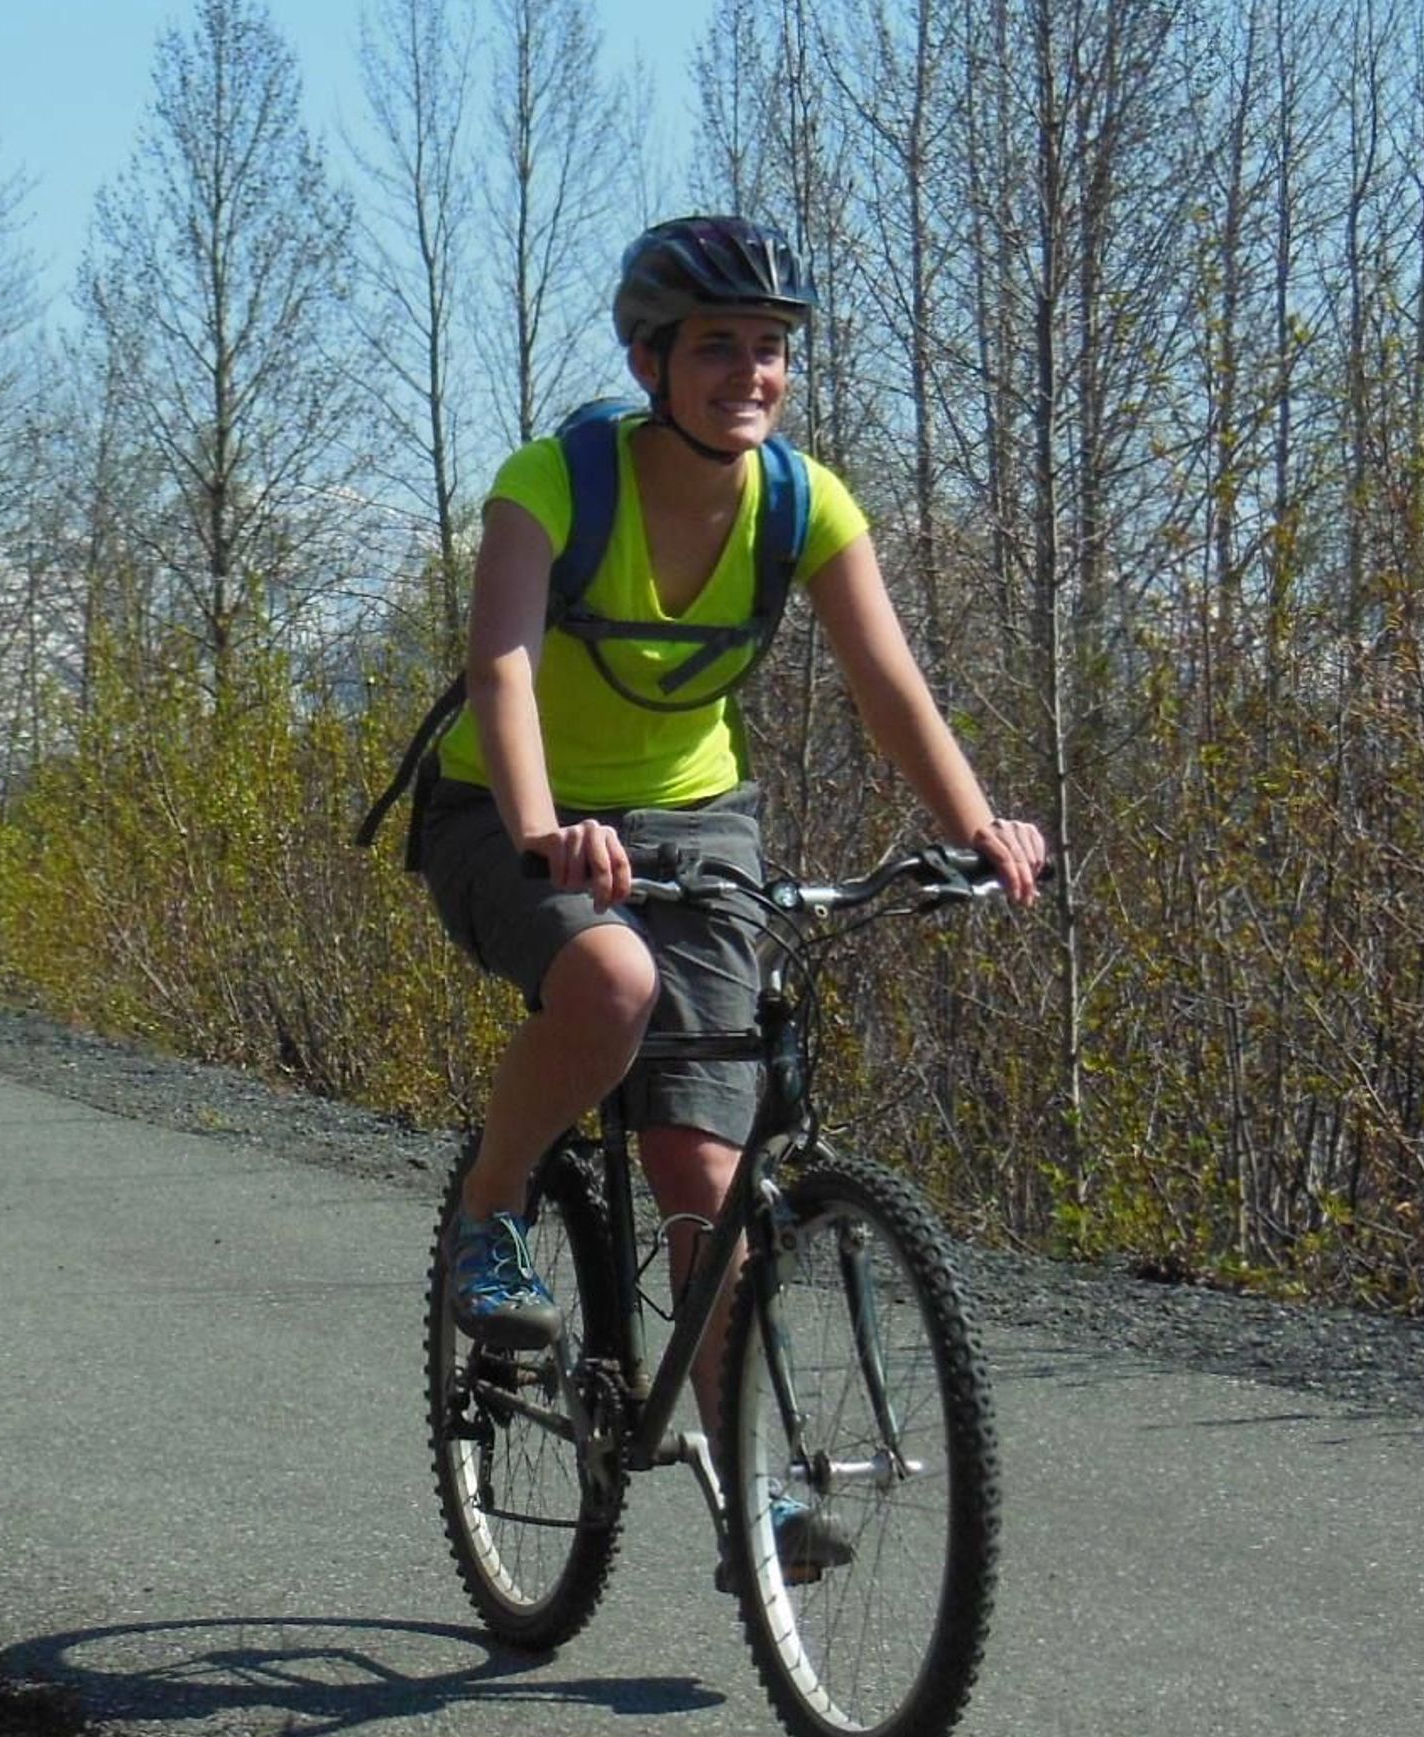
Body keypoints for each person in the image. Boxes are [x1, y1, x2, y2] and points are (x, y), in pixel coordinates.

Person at [415, 215, 1045, 1375]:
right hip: (509, 813)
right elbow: (501, 667)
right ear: (648, 358)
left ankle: (752, 1513)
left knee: (707, 1182)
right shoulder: (551, 483)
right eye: (716, 346)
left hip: (696, 821)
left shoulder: (806, 503)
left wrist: (977, 826)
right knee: (610, 979)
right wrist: (544, 829)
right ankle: (490, 1217)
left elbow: (889, 684)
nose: (750, 374)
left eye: (770, 347)